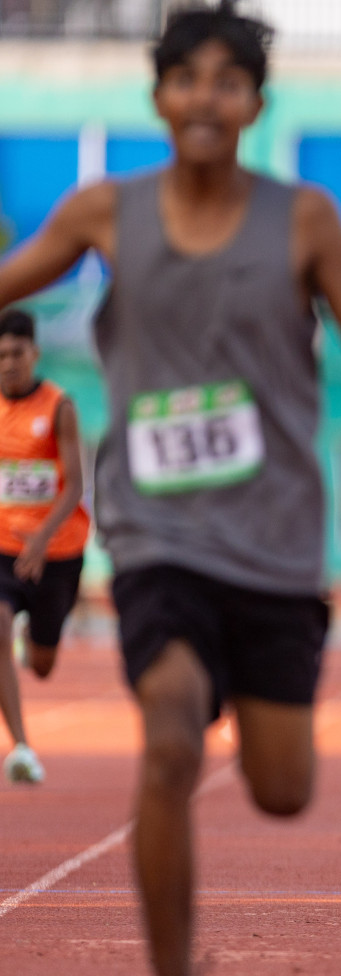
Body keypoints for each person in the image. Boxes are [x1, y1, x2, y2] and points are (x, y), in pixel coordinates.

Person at [0, 0, 341, 976]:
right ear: (158, 94)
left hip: (277, 537)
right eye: (187, 76)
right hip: (156, 532)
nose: (206, 96)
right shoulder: (104, 210)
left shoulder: (305, 218)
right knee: (166, 739)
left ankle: (249, 684)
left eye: (229, 80)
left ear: (255, 101)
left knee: (283, 787)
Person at [0, 308, 90, 785]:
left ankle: (31, 638)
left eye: (17, 353)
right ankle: (21, 746)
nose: (9, 363)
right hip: (3, 547)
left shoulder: (59, 407)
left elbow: (74, 485)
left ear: (34, 353)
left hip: (58, 550)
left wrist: (43, 536)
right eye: (1, 355)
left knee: (42, 664)